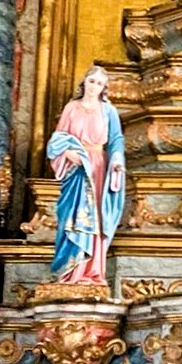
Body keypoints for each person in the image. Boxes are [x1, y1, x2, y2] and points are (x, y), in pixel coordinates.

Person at [46, 64, 126, 288]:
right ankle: (70, 271)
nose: (94, 87)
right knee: (70, 214)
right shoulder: (71, 108)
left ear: (104, 88)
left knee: (96, 217)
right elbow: (58, 137)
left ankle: (92, 272)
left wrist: (116, 160)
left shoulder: (108, 110)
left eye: (100, 83)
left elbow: (116, 139)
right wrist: (67, 153)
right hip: (76, 168)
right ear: (84, 82)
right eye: (92, 81)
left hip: (98, 168)